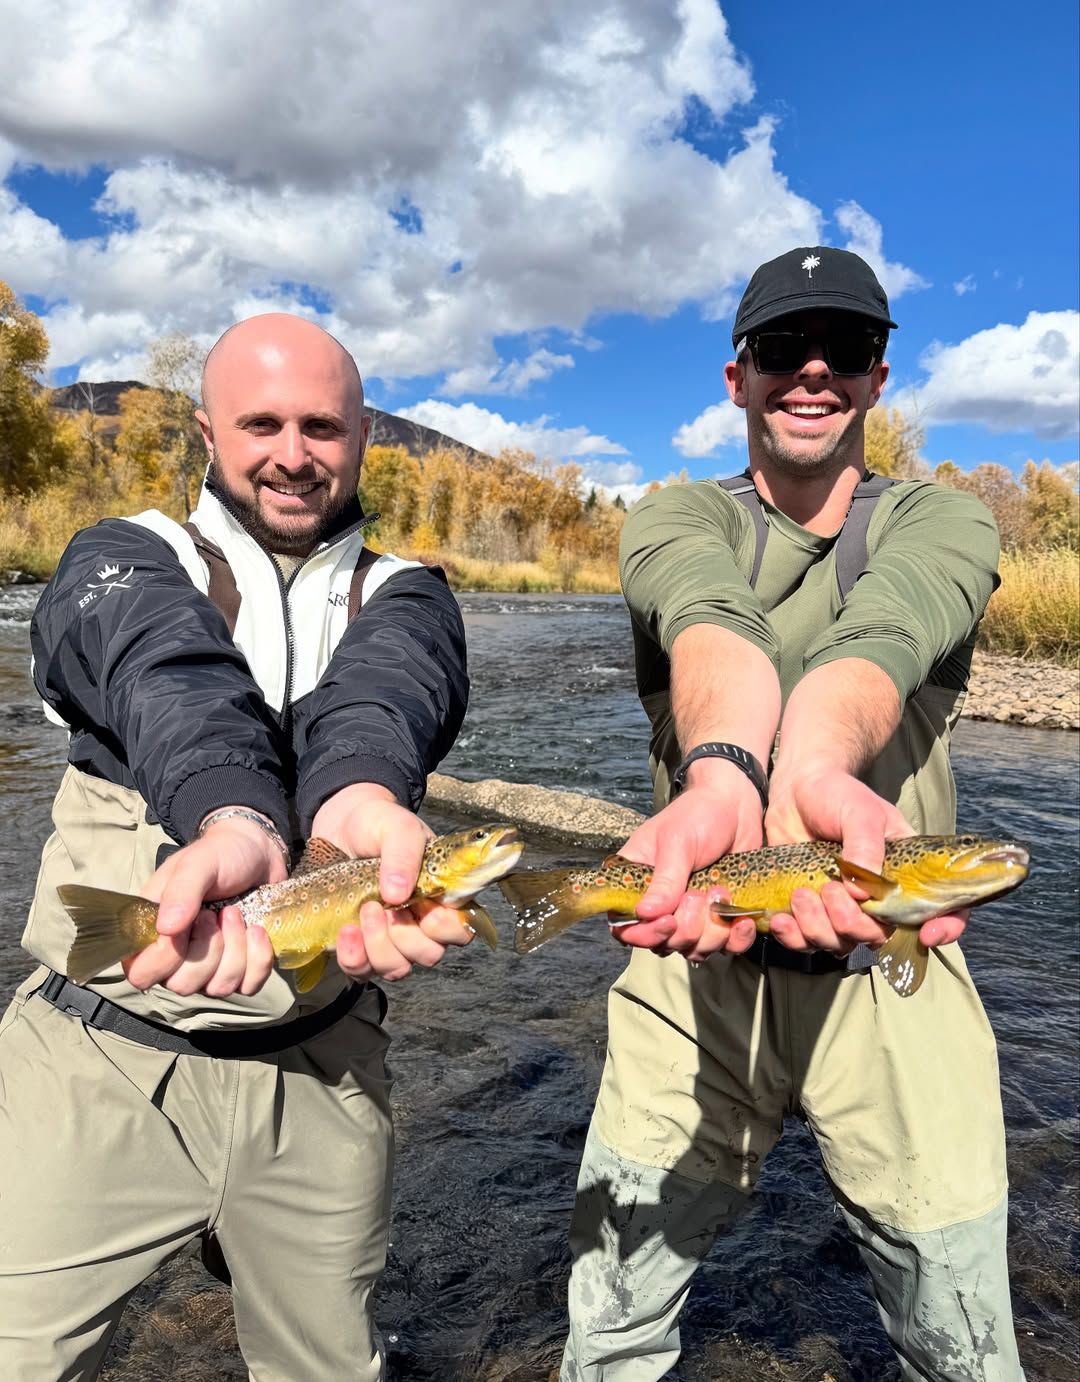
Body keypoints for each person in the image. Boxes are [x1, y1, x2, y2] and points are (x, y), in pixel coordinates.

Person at [560, 248, 1025, 1380]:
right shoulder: (674, 517)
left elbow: (883, 636)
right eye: (782, 348)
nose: (812, 371)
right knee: (611, 1324)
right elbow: (711, 622)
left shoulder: (945, 523)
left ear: (876, 378)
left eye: (845, 348)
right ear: (738, 377)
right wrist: (725, 775)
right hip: (695, 960)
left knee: (964, 1346)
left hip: (892, 961)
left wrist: (812, 766)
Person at [0, 313, 471, 1380]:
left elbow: (384, 693)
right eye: (262, 424)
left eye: (322, 426)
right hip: (96, 1057)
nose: (293, 453)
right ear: (208, 432)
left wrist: (357, 794)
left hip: (321, 1072)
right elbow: (167, 672)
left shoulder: (411, 595)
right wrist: (237, 814)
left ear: (362, 437)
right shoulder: (121, 557)